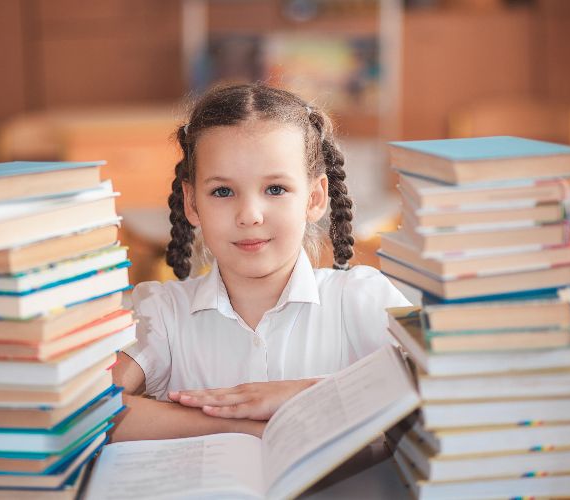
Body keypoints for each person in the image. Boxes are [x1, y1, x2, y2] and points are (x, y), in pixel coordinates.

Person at [111, 83, 410, 441]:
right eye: (222, 191)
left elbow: (446, 384)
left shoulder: (363, 297)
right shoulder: (161, 313)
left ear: (315, 198)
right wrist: (238, 424)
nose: (250, 215)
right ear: (192, 204)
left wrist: (304, 396)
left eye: (275, 189)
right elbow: (92, 413)